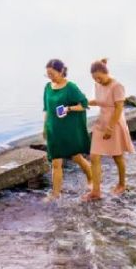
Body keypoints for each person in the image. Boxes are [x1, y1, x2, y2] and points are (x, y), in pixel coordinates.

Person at [42, 59, 93, 202]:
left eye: (52, 74)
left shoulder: (70, 87)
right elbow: (47, 109)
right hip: (54, 130)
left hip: (68, 130)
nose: (50, 77)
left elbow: (84, 104)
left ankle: (91, 179)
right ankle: (56, 193)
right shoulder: (47, 87)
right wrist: (45, 127)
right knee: (56, 163)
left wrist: (68, 108)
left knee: (77, 157)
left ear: (61, 71)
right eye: (48, 75)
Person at [85, 59, 135, 201]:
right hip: (101, 122)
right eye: (94, 78)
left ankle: (122, 184)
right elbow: (100, 101)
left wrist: (111, 127)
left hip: (115, 123)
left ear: (106, 72)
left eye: (99, 77)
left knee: (117, 156)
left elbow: (119, 108)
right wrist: (84, 101)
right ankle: (96, 191)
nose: (97, 80)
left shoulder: (117, 86)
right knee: (94, 156)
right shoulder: (98, 85)